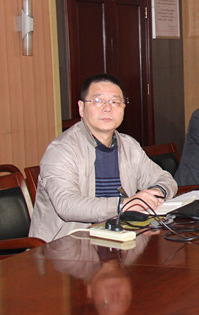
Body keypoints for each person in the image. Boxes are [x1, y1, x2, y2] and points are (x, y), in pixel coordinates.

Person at [29, 74, 178, 242]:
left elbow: (165, 178)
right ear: (81, 108)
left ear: (123, 108)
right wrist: (123, 205)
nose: (107, 108)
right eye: (98, 101)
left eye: (115, 102)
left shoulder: (128, 145)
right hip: (65, 246)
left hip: (118, 238)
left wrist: (157, 192)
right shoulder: (62, 149)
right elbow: (67, 205)